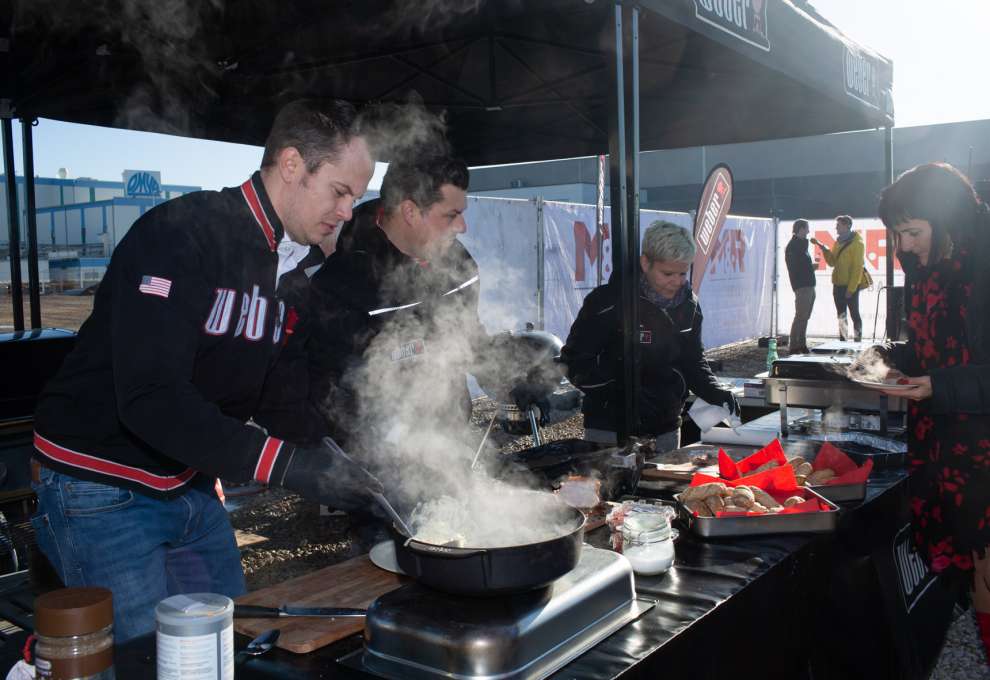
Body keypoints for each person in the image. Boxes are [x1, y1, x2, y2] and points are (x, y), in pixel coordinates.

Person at [30, 99, 384, 642]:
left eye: (355, 199)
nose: (346, 213)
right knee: (148, 659)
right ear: (292, 165)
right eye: (340, 192)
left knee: (226, 647)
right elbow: (150, 396)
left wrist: (353, 463)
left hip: (189, 481)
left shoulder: (290, 268)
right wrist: (286, 465)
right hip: (99, 482)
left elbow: (280, 393)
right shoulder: (180, 235)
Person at [872, 162, 990, 662]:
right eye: (897, 234)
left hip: (982, 453)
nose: (905, 247)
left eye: (914, 232)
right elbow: (935, 349)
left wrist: (938, 385)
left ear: (948, 222)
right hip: (949, 455)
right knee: (980, 568)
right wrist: (891, 362)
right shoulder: (929, 272)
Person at [306, 156, 494, 465]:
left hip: (453, 447)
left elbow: (467, 337)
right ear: (410, 211)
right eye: (451, 215)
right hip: (378, 469)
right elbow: (328, 396)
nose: (462, 227)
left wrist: (510, 378)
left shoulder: (460, 265)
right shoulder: (341, 285)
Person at [561, 221, 738, 453]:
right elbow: (573, 363)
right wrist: (623, 386)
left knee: (659, 485)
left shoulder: (689, 305)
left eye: (683, 273)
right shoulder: (607, 302)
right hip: (610, 429)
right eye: (667, 273)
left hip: (666, 425)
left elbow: (693, 360)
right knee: (609, 488)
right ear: (645, 263)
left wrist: (714, 391)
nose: (676, 281)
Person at [811, 214, 869, 341]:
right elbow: (832, 262)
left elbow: (857, 268)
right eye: (836, 225)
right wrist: (824, 249)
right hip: (838, 284)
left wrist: (851, 288)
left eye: (838, 225)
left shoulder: (858, 243)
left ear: (847, 226)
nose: (836, 228)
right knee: (841, 315)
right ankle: (843, 341)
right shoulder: (838, 242)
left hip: (850, 286)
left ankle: (858, 341)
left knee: (854, 314)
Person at [784, 218, 816, 354]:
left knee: (805, 316)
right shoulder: (793, 246)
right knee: (800, 316)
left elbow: (800, 266)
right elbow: (794, 267)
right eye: (807, 228)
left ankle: (800, 344)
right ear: (801, 229)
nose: (809, 231)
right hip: (802, 286)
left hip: (808, 285)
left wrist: (810, 268)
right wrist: (810, 268)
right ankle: (794, 346)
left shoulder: (802, 245)